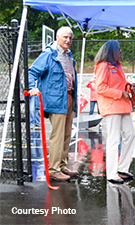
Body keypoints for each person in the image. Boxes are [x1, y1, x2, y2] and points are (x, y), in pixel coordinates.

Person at [28, 26, 78, 181]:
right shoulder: (49, 54)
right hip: (55, 100)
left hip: (68, 98)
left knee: (67, 135)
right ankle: (53, 169)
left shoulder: (69, 55)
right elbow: (32, 72)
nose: (68, 40)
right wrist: (32, 87)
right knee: (57, 135)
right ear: (57, 37)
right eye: (65, 37)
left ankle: (62, 166)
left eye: (70, 38)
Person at [94, 40, 135, 184]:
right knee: (113, 139)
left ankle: (122, 168)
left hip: (123, 105)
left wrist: (128, 88)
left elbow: (119, 84)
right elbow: (100, 88)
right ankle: (111, 173)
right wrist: (120, 93)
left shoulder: (117, 66)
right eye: (118, 49)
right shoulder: (103, 66)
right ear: (111, 51)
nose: (120, 52)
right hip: (112, 106)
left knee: (130, 135)